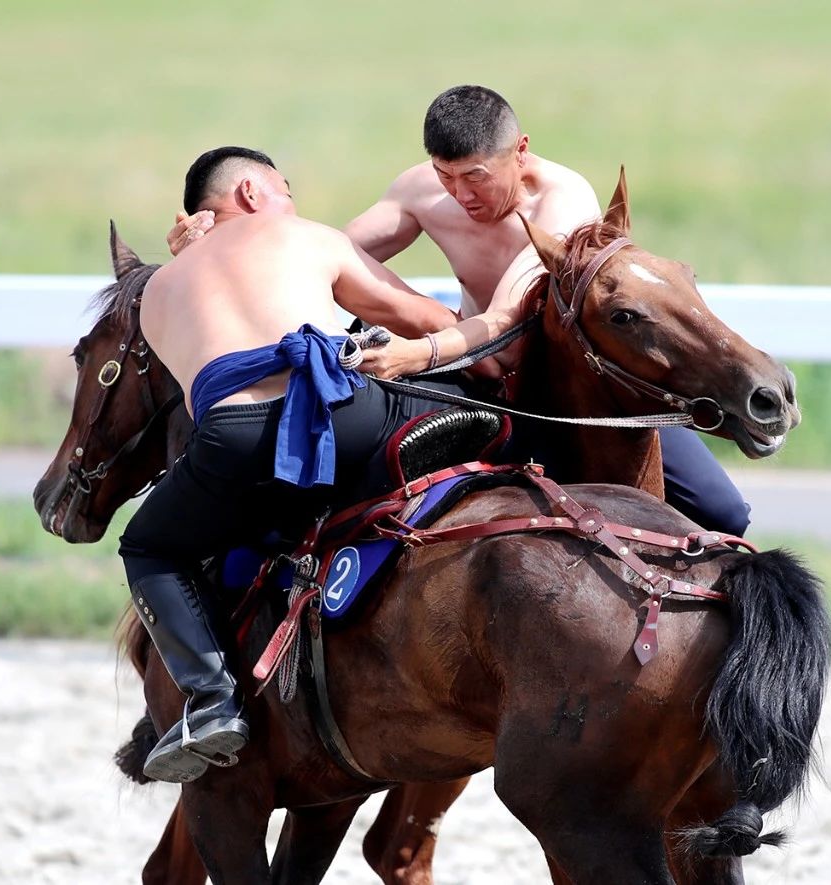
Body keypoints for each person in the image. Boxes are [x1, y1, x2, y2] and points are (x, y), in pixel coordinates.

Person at [168, 86, 752, 536]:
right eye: (446, 177)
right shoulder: (420, 191)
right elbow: (320, 253)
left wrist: (413, 353)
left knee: (722, 511)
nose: (460, 195)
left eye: (475, 177)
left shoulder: (565, 202)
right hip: (484, 380)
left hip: (575, 386)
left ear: (519, 153)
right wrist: (222, 240)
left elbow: (503, 319)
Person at [121, 146, 516, 784]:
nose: (291, 203)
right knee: (474, 408)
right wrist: (492, 353)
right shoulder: (303, 236)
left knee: (149, 547)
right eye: (285, 189)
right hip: (346, 410)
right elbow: (421, 317)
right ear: (252, 192)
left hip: (231, 440)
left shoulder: (159, 288)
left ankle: (210, 700)